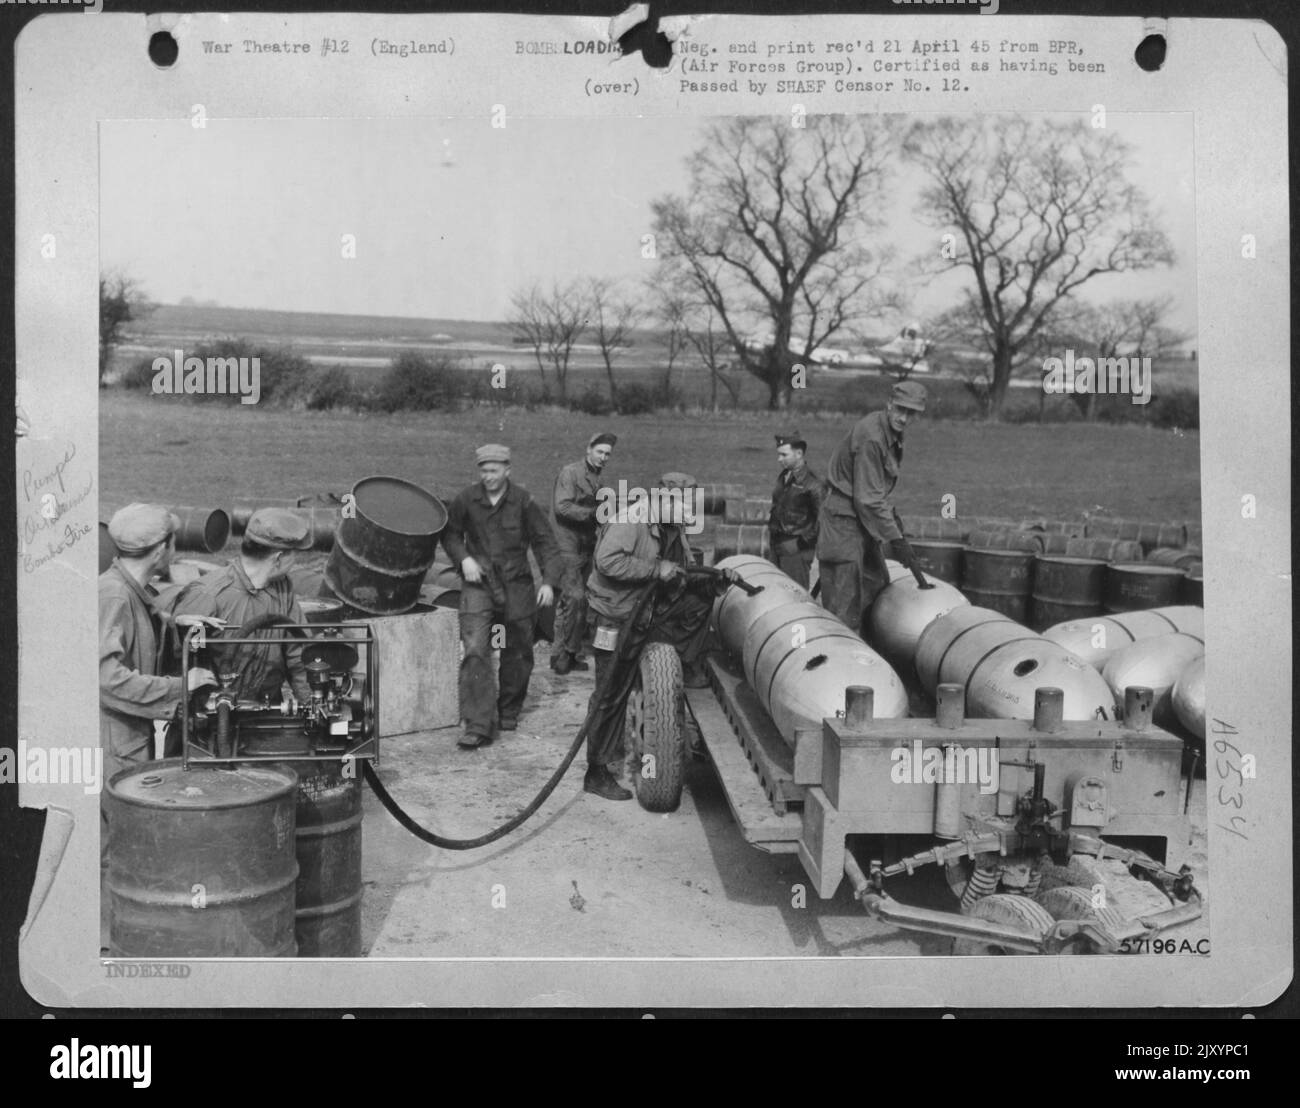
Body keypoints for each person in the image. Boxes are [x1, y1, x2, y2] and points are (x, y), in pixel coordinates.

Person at [582, 473, 733, 801]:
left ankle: (678, 662)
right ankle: (596, 771)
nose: (688, 512)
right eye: (683, 504)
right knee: (609, 693)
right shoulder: (631, 519)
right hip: (615, 615)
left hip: (646, 611)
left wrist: (715, 581)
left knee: (699, 600)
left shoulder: (673, 526)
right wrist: (654, 569)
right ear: (663, 498)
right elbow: (606, 561)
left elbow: (683, 570)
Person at [441, 444, 563, 748]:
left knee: (519, 649)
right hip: (479, 584)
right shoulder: (467, 499)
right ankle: (479, 723)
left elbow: (546, 543)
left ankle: (508, 708)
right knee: (474, 650)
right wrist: (463, 559)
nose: (488, 477)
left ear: (507, 470)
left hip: (516, 585)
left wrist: (548, 582)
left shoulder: (523, 501)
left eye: (494, 471)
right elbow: (450, 534)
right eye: (483, 471)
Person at [99, 503, 217, 780]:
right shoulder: (114, 596)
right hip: (113, 748)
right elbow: (107, 680)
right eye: (173, 543)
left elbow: (135, 629)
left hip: (127, 739)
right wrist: (182, 685)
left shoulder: (127, 588)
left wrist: (175, 625)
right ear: (161, 550)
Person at [167, 508, 314, 704]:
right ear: (278, 559)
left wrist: (311, 704)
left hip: (265, 714)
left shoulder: (282, 589)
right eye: (293, 555)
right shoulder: (207, 595)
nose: (294, 561)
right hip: (215, 720)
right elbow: (180, 662)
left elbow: (298, 653)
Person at [816, 380, 929, 635]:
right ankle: (840, 657)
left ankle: (863, 646)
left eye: (911, 413)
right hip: (843, 520)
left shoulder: (891, 433)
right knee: (844, 603)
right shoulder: (872, 437)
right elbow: (867, 498)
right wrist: (896, 539)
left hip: (860, 517)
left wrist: (890, 523)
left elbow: (874, 489)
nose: (903, 417)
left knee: (875, 581)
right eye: (900, 409)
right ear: (889, 404)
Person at [550, 432, 617, 675]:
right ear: (588, 450)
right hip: (566, 544)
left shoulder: (597, 479)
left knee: (569, 601)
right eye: (599, 452)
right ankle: (567, 654)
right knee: (576, 598)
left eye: (607, 454)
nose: (603, 458)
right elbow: (562, 507)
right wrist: (592, 514)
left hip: (585, 544)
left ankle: (559, 653)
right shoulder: (570, 473)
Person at [768, 431, 824, 589]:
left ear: (799, 454)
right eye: (779, 455)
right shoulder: (785, 476)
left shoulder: (814, 484)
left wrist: (800, 543)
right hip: (776, 545)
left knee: (795, 594)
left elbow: (822, 521)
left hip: (796, 551)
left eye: (784, 455)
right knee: (776, 592)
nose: (779, 459)